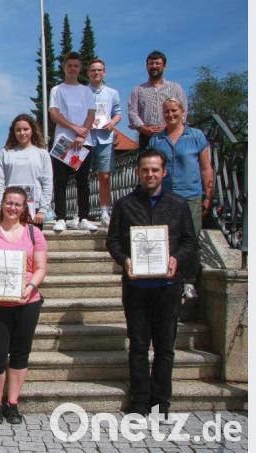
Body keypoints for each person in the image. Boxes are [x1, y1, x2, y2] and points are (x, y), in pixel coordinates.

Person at [105, 149, 197, 417]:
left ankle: (160, 402)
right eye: (145, 169)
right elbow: (112, 242)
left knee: (165, 348)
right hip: (136, 287)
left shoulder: (178, 205)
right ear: (138, 172)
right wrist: (124, 260)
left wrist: (176, 259)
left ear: (163, 172)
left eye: (155, 170)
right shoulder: (125, 204)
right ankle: (140, 401)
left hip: (168, 286)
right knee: (138, 346)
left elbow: (190, 242)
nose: (150, 174)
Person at [0, 187, 47, 425]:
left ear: (24, 208)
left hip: (27, 301)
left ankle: (12, 403)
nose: (13, 208)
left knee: (20, 354)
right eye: (9, 203)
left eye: (18, 204)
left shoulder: (34, 233)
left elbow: (41, 268)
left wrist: (30, 287)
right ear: (2, 204)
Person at [147, 97, 214, 298]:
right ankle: (166, 277)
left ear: (182, 111)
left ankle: (188, 281)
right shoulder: (157, 140)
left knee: (190, 239)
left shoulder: (196, 136)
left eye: (174, 110)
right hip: (164, 196)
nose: (171, 115)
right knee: (165, 238)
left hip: (190, 194)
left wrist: (208, 194)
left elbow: (205, 167)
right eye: (167, 111)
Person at [49, 52, 98, 232]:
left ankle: (84, 216)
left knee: (83, 181)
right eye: (69, 65)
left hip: (83, 142)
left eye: (76, 66)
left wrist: (81, 133)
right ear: (64, 67)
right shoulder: (57, 90)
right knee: (60, 180)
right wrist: (73, 129)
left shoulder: (86, 91)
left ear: (80, 68)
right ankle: (61, 217)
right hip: (63, 141)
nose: (73, 69)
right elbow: (54, 113)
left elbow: (91, 114)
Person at [0, 114, 53, 228]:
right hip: (11, 208)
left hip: (34, 210)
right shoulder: (5, 153)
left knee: (32, 243)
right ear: (13, 132)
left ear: (32, 130)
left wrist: (43, 209)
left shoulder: (42, 153)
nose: (22, 133)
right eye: (18, 130)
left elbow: (47, 182)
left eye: (25, 129)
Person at [128, 50, 188, 151]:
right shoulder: (138, 90)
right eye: (151, 63)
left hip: (171, 135)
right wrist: (143, 128)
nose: (154, 66)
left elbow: (184, 110)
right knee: (147, 165)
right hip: (146, 137)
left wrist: (172, 127)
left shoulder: (176, 88)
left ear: (164, 66)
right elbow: (132, 112)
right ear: (147, 66)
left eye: (157, 63)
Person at [87, 59, 123, 227]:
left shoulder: (112, 93)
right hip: (86, 137)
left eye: (100, 70)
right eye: (93, 70)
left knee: (105, 175)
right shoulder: (82, 91)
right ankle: (83, 211)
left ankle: (104, 211)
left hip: (104, 137)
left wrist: (112, 123)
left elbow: (118, 113)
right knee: (82, 176)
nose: (96, 73)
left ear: (104, 72)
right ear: (88, 73)